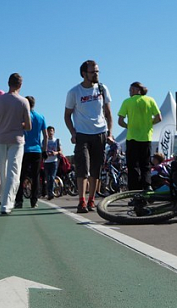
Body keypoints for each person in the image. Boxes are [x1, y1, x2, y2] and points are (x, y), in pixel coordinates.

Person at [65, 60, 113, 212]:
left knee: (96, 169)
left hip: (100, 133)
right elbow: (67, 116)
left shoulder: (102, 88)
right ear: (84, 74)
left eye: (97, 71)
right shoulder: (74, 92)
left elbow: (108, 113)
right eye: (93, 72)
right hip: (82, 134)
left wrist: (109, 133)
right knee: (82, 169)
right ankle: (82, 201)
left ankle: (92, 199)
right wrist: (73, 133)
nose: (96, 74)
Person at [0, 73, 32, 215]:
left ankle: (4, 202)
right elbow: (28, 126)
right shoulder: (23, 101)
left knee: (3, 169)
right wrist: (21, 123)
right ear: (20, 85)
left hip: (1, 139)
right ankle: (7, 203)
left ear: (8, 83)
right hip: (16, 139)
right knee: (14, 171)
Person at [118, 82, 162, 191]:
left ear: (135, 90)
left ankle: (134, 192)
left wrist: (129, 126)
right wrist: (149, 123)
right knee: (145, 165)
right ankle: (147, 186)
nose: (129, 92)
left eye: (130, 90)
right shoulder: (150, 100)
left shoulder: (127, 102)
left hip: (132, 138)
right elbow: (159, 118)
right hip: (146, 138)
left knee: (133, 166)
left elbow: (120, 121)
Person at [14, 96, 47, 209]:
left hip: (23, 149)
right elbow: (45, 135)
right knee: (35, 176)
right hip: (37, 150)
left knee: (21, 175)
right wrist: (44, 150)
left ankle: (19, 200)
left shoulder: (23, 117)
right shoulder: (40, 117)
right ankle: (34, 200)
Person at [44, 126, 62, 200]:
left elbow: (60, 151)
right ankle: (49, 192)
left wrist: (55, 153)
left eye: (51, 131)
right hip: (46, 161)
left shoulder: (57, 140)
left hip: (54, 161)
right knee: (48, 178)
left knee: (52, 177)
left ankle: (51, 193)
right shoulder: (44, 141)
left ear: (54, 132)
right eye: (49, 131)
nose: (50, 132)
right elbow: (43, 149)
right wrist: (46, 153)